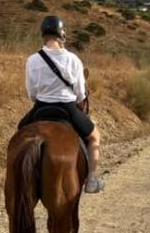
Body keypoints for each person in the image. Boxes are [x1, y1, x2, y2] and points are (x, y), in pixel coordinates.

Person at [17, 15, 105, 193]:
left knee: (19, 133)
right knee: (94, 136)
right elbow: (80, 94)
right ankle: (91, 180)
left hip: (41, 107)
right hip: (68, 108)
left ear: (44, 34)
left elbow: (31, 93)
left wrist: (45, 95)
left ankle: (17, 176)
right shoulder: (73, 59)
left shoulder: (32, 60)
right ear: (61, 34)